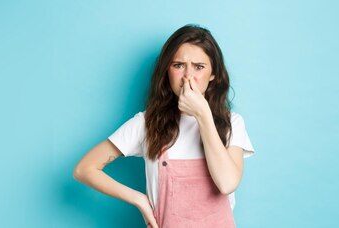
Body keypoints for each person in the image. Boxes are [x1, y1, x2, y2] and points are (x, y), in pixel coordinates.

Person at [73, 24, 255, 228]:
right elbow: (84, 169)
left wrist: (203, 114)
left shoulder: (233, 123)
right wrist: (139, 199)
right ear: (167, 71)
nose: (188, 76)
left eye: (199, 67)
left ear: (213, 74)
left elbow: (227, 183)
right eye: (178, 65)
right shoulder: (146, 124)